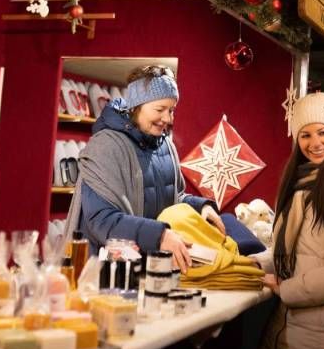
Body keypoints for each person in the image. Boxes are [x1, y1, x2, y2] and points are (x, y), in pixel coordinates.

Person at [64, 65, 224, 273]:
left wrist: (201, 207)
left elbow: (174, 197)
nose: (168, 119)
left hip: (148, 269)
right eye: (159, 110)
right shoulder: (105, 147)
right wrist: (160, 236)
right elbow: (101, 220)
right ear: (136, 106)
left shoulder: (165, 145)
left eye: (171, 110)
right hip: (103, 273)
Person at [253, 92, 324, 349]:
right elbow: (292, 251)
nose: (315, 143)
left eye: (322, 132)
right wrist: (251, 264)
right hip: (288, 327)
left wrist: (286, 288)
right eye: (305, 135)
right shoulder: (300, 183)